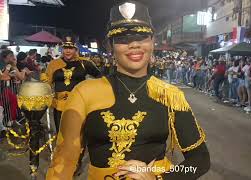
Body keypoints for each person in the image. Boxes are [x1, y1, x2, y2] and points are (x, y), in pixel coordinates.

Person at [46, 1, 210, 180]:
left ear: (152, 42)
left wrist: (161, 179)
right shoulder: (85, 93)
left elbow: (199, 160)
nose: (134, 44)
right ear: (110, 46)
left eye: (141, 37)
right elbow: (64, 161)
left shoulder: (170, 95)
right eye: (123, 38)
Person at [41, 36, 101, 133]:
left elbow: (100, 76)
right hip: (59, 106)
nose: (68, 51)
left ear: (75, 49)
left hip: (79, 105)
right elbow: (47, 84)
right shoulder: (54, 64)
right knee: (61, 134)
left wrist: (92, 91)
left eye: (71, 48)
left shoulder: (84, 63)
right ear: (62, 49)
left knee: (78, 134)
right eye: (65, 48)